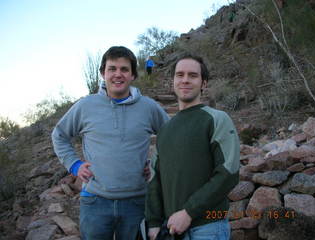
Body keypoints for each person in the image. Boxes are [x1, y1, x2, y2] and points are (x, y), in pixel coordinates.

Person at [52, 46, 169, 240]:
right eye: (112, 69)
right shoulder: (85, 106)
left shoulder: (149, 107)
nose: (118, 74)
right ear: (102, 74)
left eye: (124, 69)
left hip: (137, 202)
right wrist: (74, 165)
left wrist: (156, 164)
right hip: (95, 202)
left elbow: (172, 138)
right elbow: (59, 134)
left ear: (132, 75)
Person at [146, 53, 240, 240]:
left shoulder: (216, 119)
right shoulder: (164, 130)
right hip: (170, 230)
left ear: (204, 84)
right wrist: (154, 222)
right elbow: (155, 179)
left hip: (208, 228)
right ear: (173, 81)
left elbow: (228, 173)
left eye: (193, 75)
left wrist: (188, 212)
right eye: (180, 75)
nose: (185, 80)